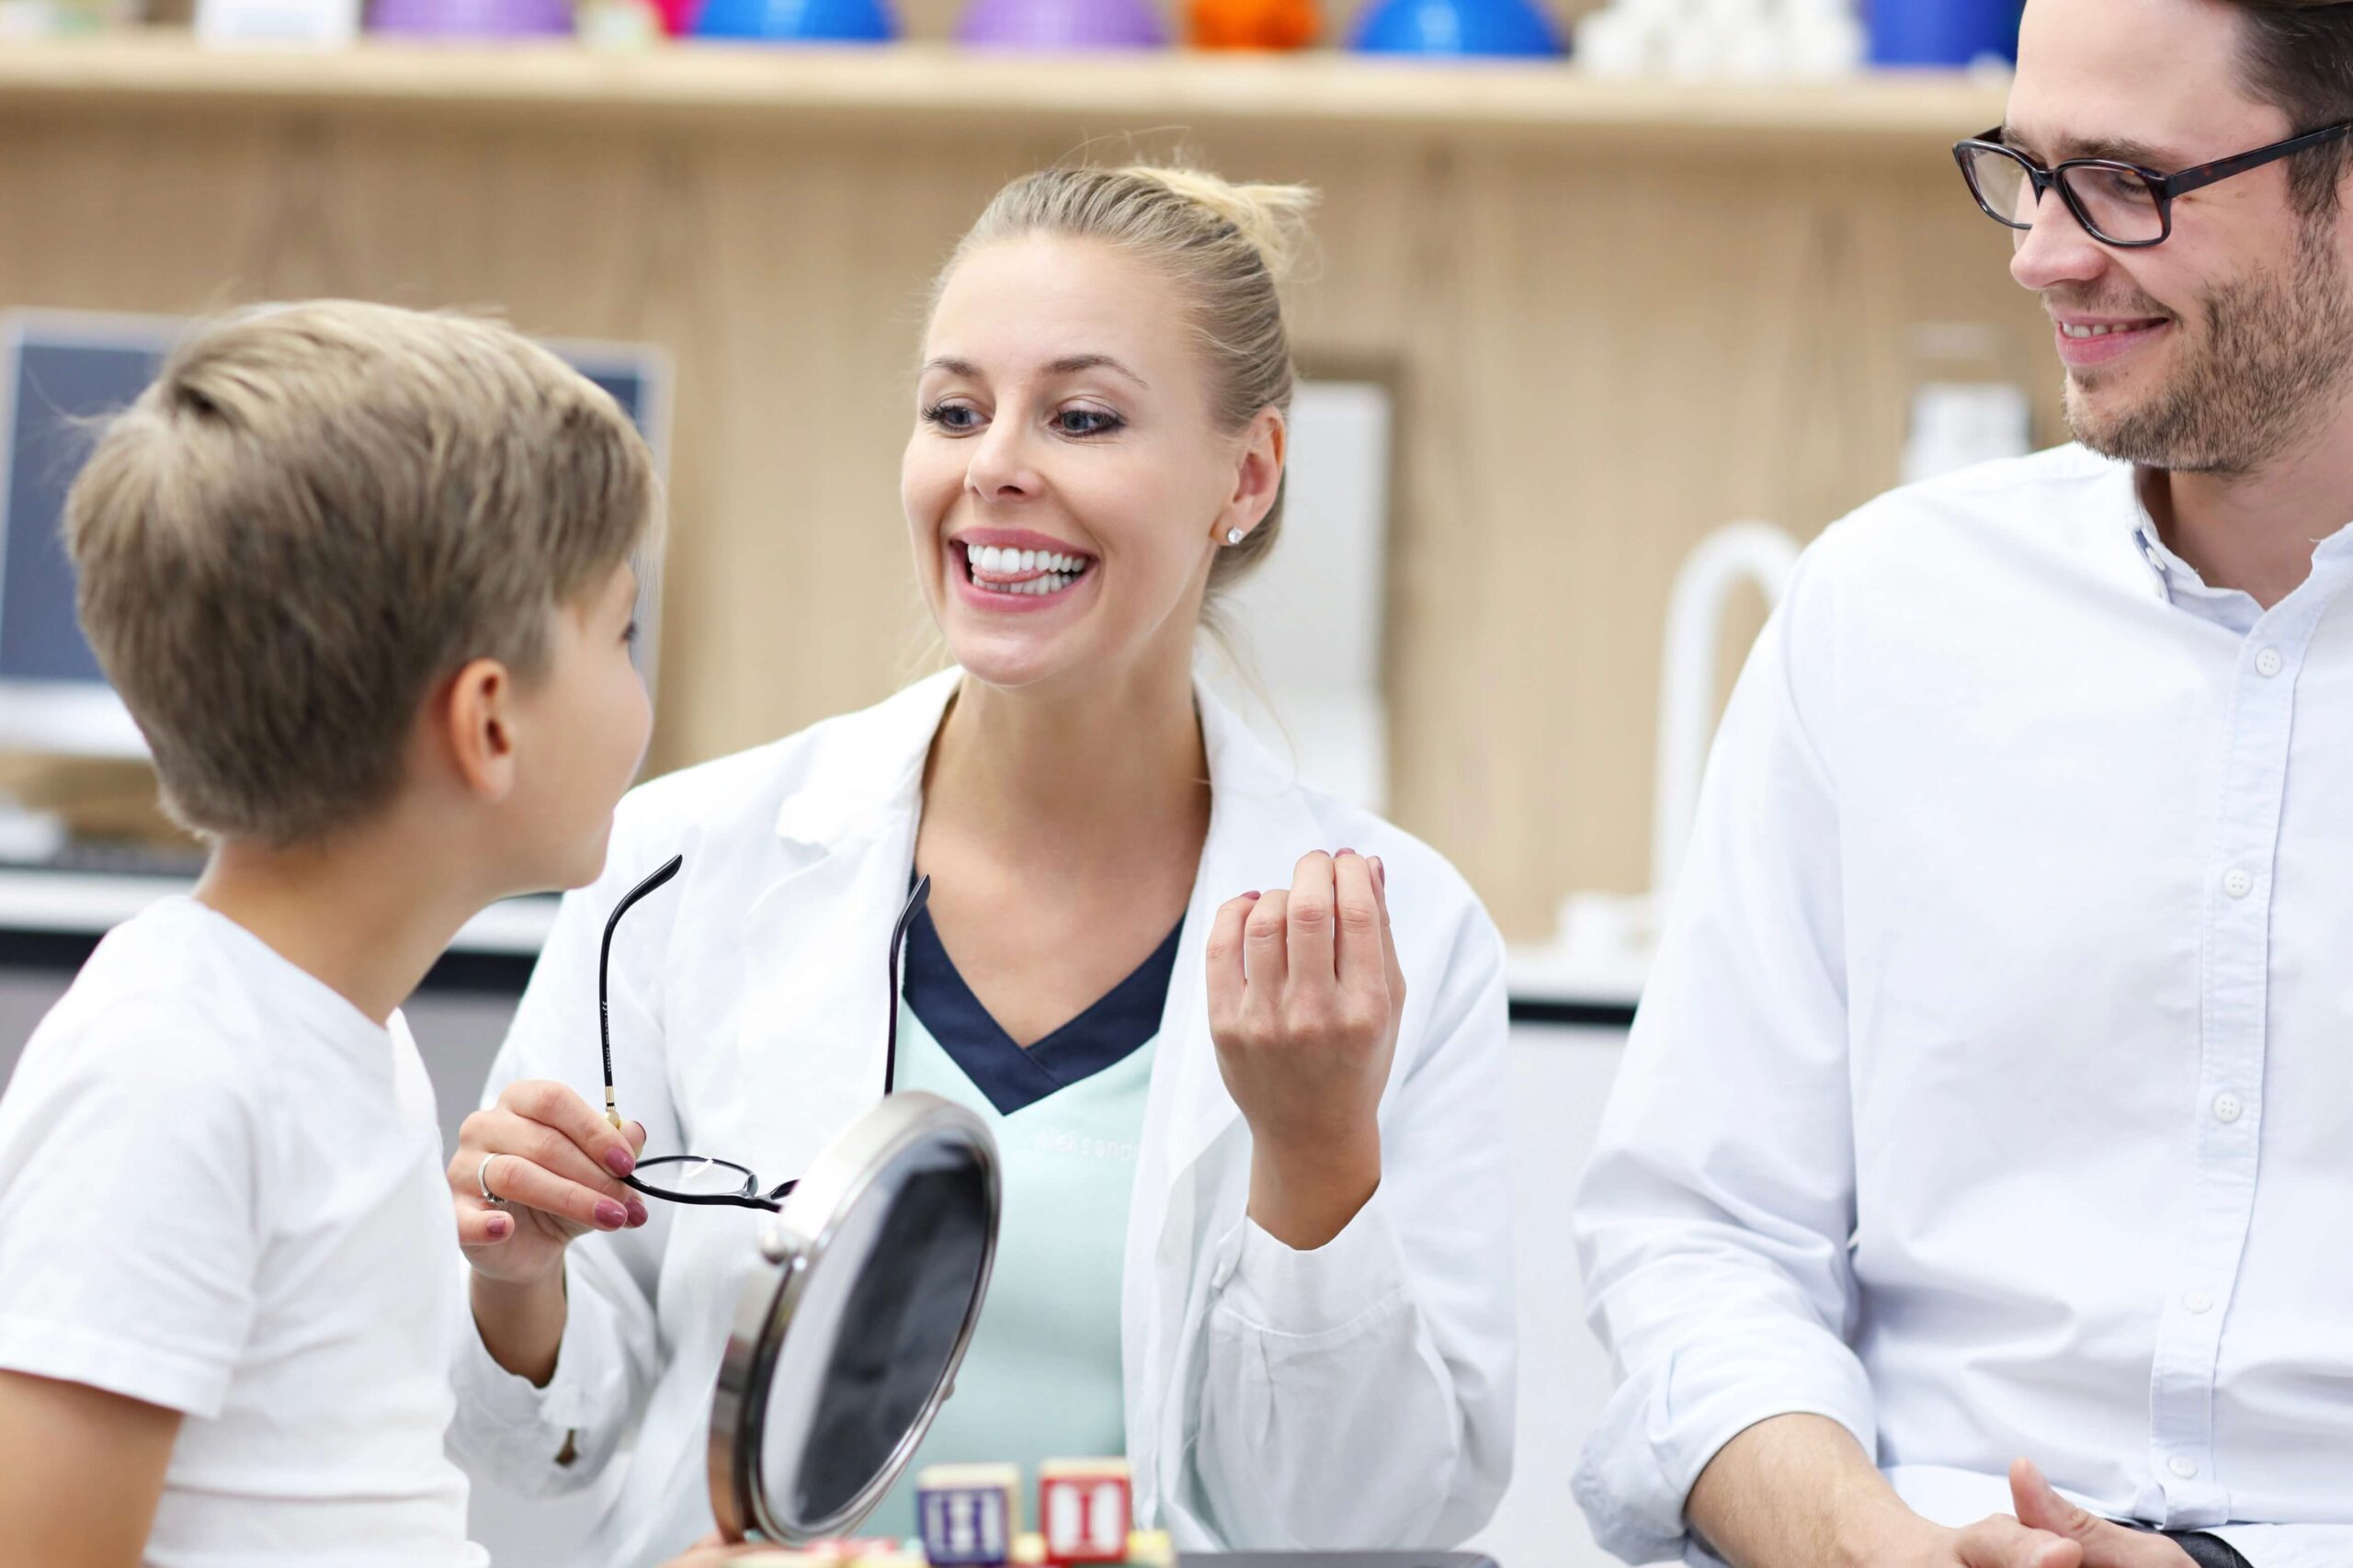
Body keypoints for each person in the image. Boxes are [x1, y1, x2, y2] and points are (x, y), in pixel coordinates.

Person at [443, 164, 1516, 1562]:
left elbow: (1354, 1524)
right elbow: (545, 1453)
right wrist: (518, 1283)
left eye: (1081, 415)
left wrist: (1315, 1154)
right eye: (955, 409)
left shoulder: (1399, 935)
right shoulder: (680, 864)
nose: (994, 463)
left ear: (1244, 475)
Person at [1571, 1, 2353, 1566]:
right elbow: (1701, 1238)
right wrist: (1870, 1543)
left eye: (2128, 180)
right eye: (2029, 169)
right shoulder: (1885, 611)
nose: (2043, 256)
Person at [0, 302, 754, 1568]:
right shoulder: (173, 1071)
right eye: (619, 633)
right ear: (489, 724)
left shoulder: (344, 1037)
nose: (641, 690)